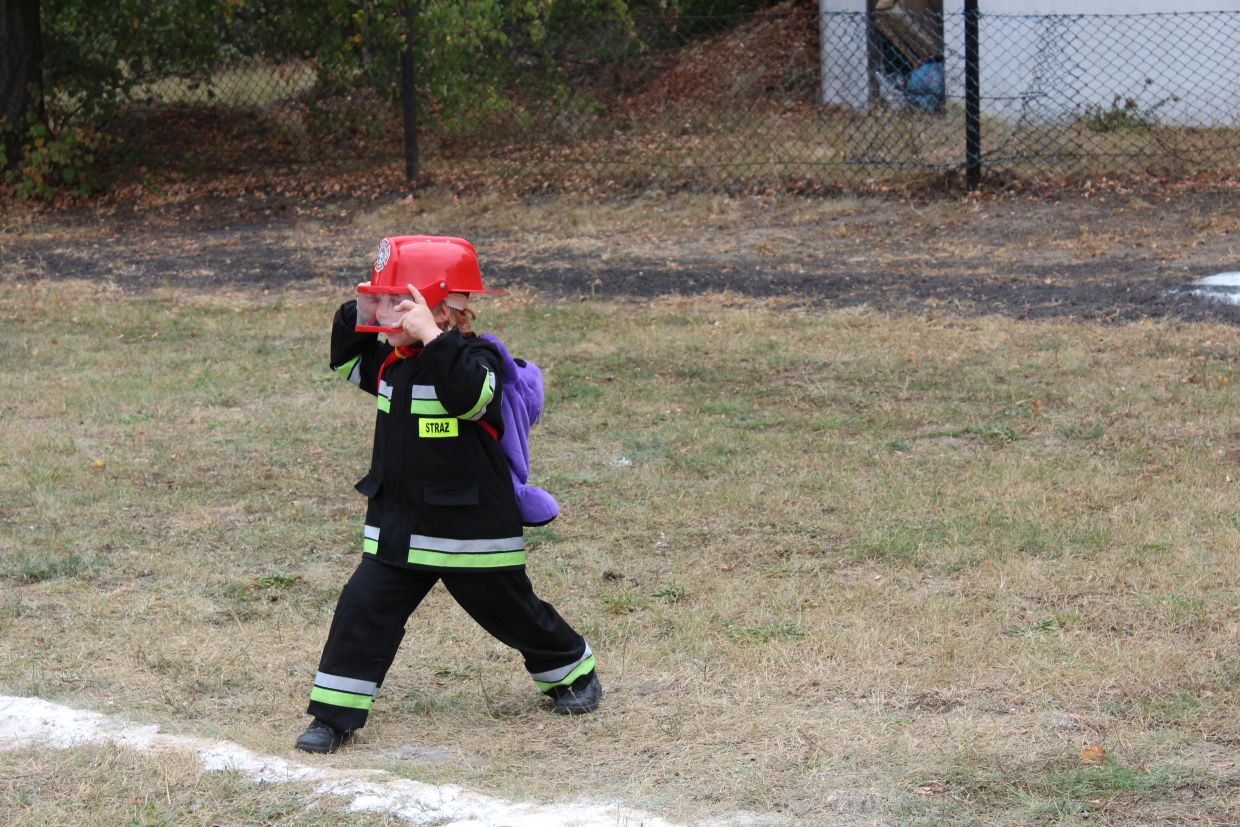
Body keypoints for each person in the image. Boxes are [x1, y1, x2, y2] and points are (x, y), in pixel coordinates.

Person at [295, 236, 600, 755]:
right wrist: (359, 310)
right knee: (362, 612)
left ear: (439, 311)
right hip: (399, 527)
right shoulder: (392, 364)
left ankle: (571, 671)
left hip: (471, 529)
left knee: (513, 612)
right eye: (381, 302)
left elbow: (471, 397)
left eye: (397, 303)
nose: (383, 317)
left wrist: (434, 339)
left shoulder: (477, 358)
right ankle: (332, 717)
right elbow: (347, 359)